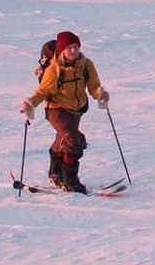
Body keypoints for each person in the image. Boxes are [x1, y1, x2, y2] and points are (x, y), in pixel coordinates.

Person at [20, 30, 110, 192]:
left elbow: (94, 86)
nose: (73, 51)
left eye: (76, 46)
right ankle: (70, 179)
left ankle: (55, 172)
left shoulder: (86, 65)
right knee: (73, 139)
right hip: (56, 109)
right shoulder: (54, 69)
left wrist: (100, 94)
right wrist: (30, 103)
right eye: (69, 48)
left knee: (63, 139)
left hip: (76, 109)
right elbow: (43, 91)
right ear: (61, 50)